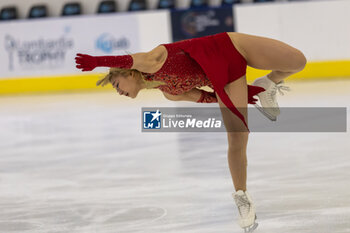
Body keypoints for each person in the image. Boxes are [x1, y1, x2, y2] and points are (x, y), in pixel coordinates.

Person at [75, 32, 306, 232]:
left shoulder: (153, 60)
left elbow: (129, 58)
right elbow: (207, 97)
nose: (118, 92)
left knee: (297, 61)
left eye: (116, 84)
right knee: (237, 137)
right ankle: (242, 198)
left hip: (229, 46)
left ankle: (269, 83)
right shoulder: (170, 92)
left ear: (130, 73)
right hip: (228, 78)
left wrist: (97, 61)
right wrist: (243, 96)